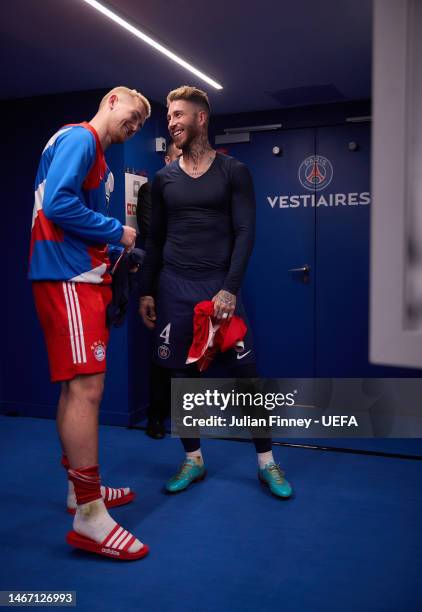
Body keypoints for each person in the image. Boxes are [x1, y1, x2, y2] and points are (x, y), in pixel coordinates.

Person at [139, 86, 292, 499]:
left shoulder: (233, 172)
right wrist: (146, 291)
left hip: (218, 289)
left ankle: (267, 462)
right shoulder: (163, 178)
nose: (171, 121)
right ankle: (193, 460)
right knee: (180, 379)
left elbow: (246, 233)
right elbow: (154, 242)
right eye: (168, 116)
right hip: (173, 288)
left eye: (177, 114)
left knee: (247, 378)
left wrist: (230, 288)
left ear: (200, 118)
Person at [29, 86, 151, 560]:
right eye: (135, 116)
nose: (136, 126)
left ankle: (77, 491)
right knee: (87, 390)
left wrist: (113, 252)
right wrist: (117, 232)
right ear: (112, 99)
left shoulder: (91, 153)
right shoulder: (81, 138)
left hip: (73, 273)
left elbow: (65, 209)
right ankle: (90, 515)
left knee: (74, 389)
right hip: (67, 276)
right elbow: (58, 206)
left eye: (143, 123)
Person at [136, 141, 183, 440]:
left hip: (194, 279)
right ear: (167, 158)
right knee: (162, 351)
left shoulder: (200, 189)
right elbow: (154, 234)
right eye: (179, 157)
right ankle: (156, 415)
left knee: (195, 348)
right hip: (163, 280)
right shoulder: (150, 190)